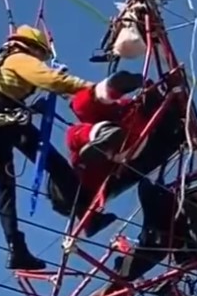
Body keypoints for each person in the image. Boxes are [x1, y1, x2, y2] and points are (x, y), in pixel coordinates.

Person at [0, 25, 117, 271]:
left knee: (4, 189)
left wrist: (33, 108)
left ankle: (16, 248)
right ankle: (89, 217)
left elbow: (3, 96)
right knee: (56, 165)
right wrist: (95, 89)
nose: (40, 60)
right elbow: (51, 80)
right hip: (7, 125)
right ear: (33, 47)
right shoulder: (19, 59)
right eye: (41, 55)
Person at [65, 69, 186, 236]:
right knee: (77, 126)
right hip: (133, 148)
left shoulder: (82, 169)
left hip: (131, 133)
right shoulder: (87, 178)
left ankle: (106, 101)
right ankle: (103, 123)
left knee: (81, 115)